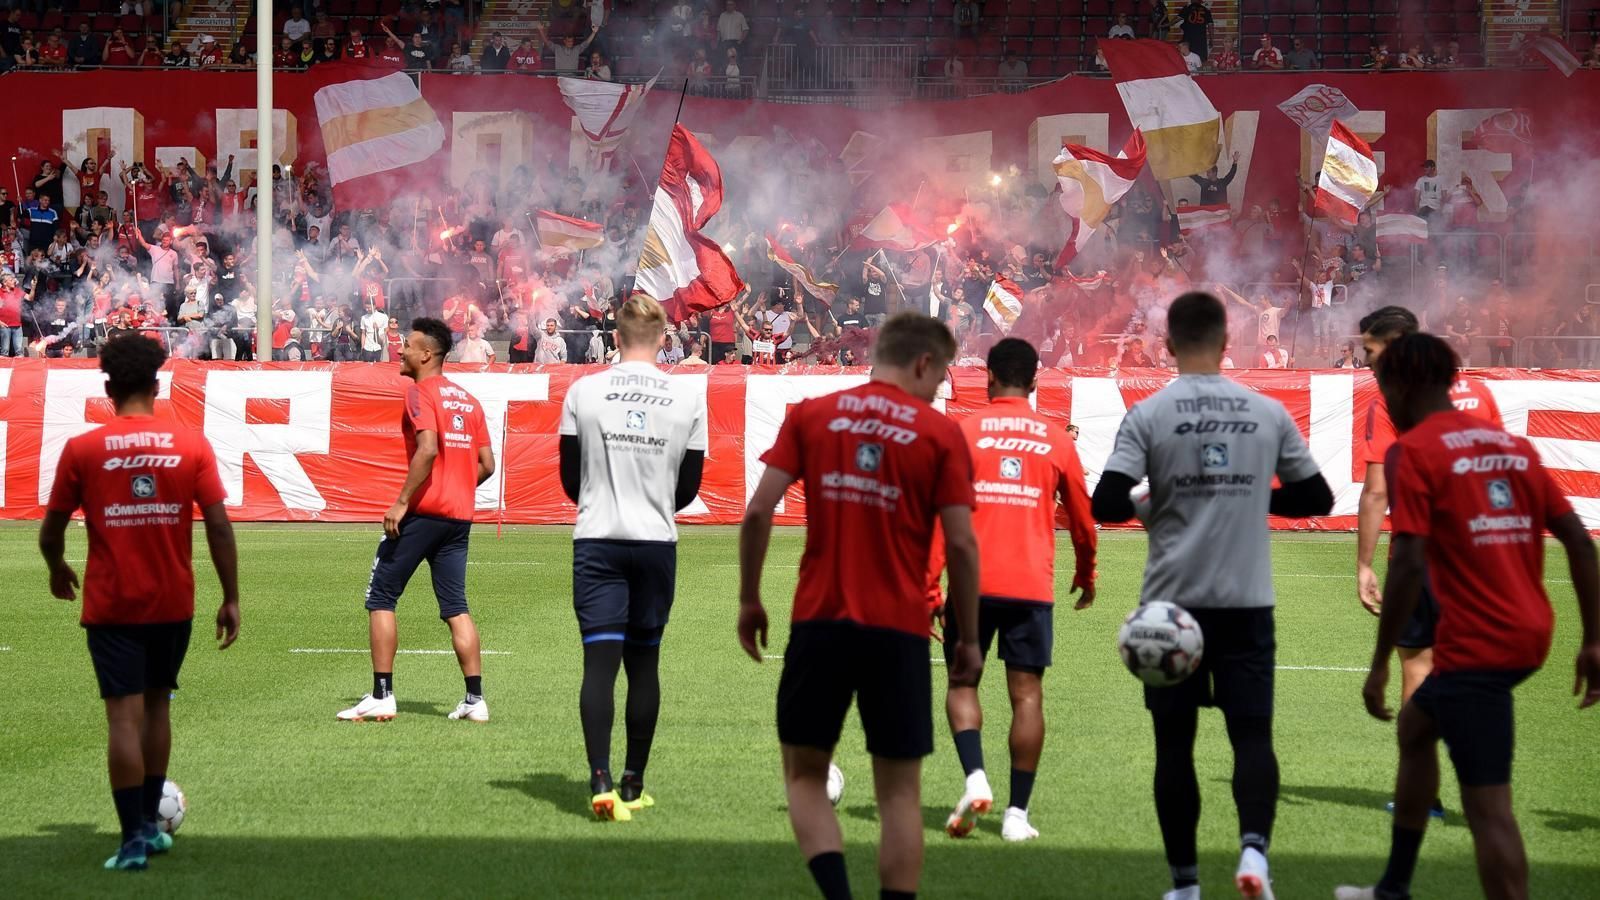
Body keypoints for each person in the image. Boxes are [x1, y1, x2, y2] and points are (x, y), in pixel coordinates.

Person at [1335, 333, 1600, 900]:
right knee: (1416, 726)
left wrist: (1380, 663)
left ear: (1400, 385)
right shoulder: (1514, 448)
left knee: (1488, 807)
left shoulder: (1416, 452)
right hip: (1531, 630)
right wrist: (1593, 641)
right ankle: (1392, 887)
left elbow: (1406, 565)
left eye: (1383, 384)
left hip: (1482, 643)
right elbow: (1580, 543)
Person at [1090, 292, 1333, 900]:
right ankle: (1254, 854)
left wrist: (1158, 498)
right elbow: (1317, 500)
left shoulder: (1148, 413)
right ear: (1229, 344)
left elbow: (1106, 503)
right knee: (1252, 737)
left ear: (1168, 345)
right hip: (1247, 603)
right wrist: (1250, 494)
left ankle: (1186, 885)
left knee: (1174, 747)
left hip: (1170, 611)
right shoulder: (1266, 411)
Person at [738, 312, 983, 900]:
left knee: (803, 775)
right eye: (941, 374)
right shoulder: (938, 432)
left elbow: (757, 510)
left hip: (819, 622)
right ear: (924, 363)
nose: (939, 387)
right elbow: (963, 543)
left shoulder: (813, 415)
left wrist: (749, 597)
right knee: (900, 793)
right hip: (899, 629)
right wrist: (968, 637)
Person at [38, 334, 240, 871]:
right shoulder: (190, 445)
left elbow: (51, 530)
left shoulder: (82, 449)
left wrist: (57, 567)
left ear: (108, 387)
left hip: (111, 604)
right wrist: (231, 597)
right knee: (156, 707)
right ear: (157, 385)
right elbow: (219, 527)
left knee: (121, 720)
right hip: (173, 601)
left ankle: (131, 842)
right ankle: (150, 828)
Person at [927, 338, 1097, 843]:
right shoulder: (1055, 438)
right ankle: (1017, 816)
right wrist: (1086, 573)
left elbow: (940, 516)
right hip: (1030, 583)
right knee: (1027, 696)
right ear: (1036, 381)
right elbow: (1084, 520)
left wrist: (928, 587)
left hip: (970, 584)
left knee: (963, 682)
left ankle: (976, 778)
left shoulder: (961, 432)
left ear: (988, 378)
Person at [558, 294, 707, 821]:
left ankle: (598, 779)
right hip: (655, 542)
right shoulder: (688, 396)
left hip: (597, 538)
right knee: (645, 664)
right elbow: (689, 486)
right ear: (664, 338)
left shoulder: (583, 390)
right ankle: (632, 783)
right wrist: (651, 503)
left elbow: (570, 480)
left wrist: (605, 497)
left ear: (615, 338)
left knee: (599, 663)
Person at [1353, 306, 1503, 817]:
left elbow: (1377, 492)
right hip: (1479, 552)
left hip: (1419, 552)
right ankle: (1485, 797)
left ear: (1394, 343)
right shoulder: (1478, 392)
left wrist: (1364, 565)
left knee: (1416, 668)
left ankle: (1425, 797)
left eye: (1369, 349)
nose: (1364, 359)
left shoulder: (1391, 399)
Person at [336, 318, 496, 724]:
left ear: (427, 354)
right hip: (459, 518)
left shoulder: (419, 393)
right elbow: (487, 465)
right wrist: (457, 485)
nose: (400, 350)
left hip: (423, 513)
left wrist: (402, 502)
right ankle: (475, 700)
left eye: (407, 345)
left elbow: (426, 449)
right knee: (456, 606)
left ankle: (382, 695)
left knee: (381, 597)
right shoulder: (470, 401)